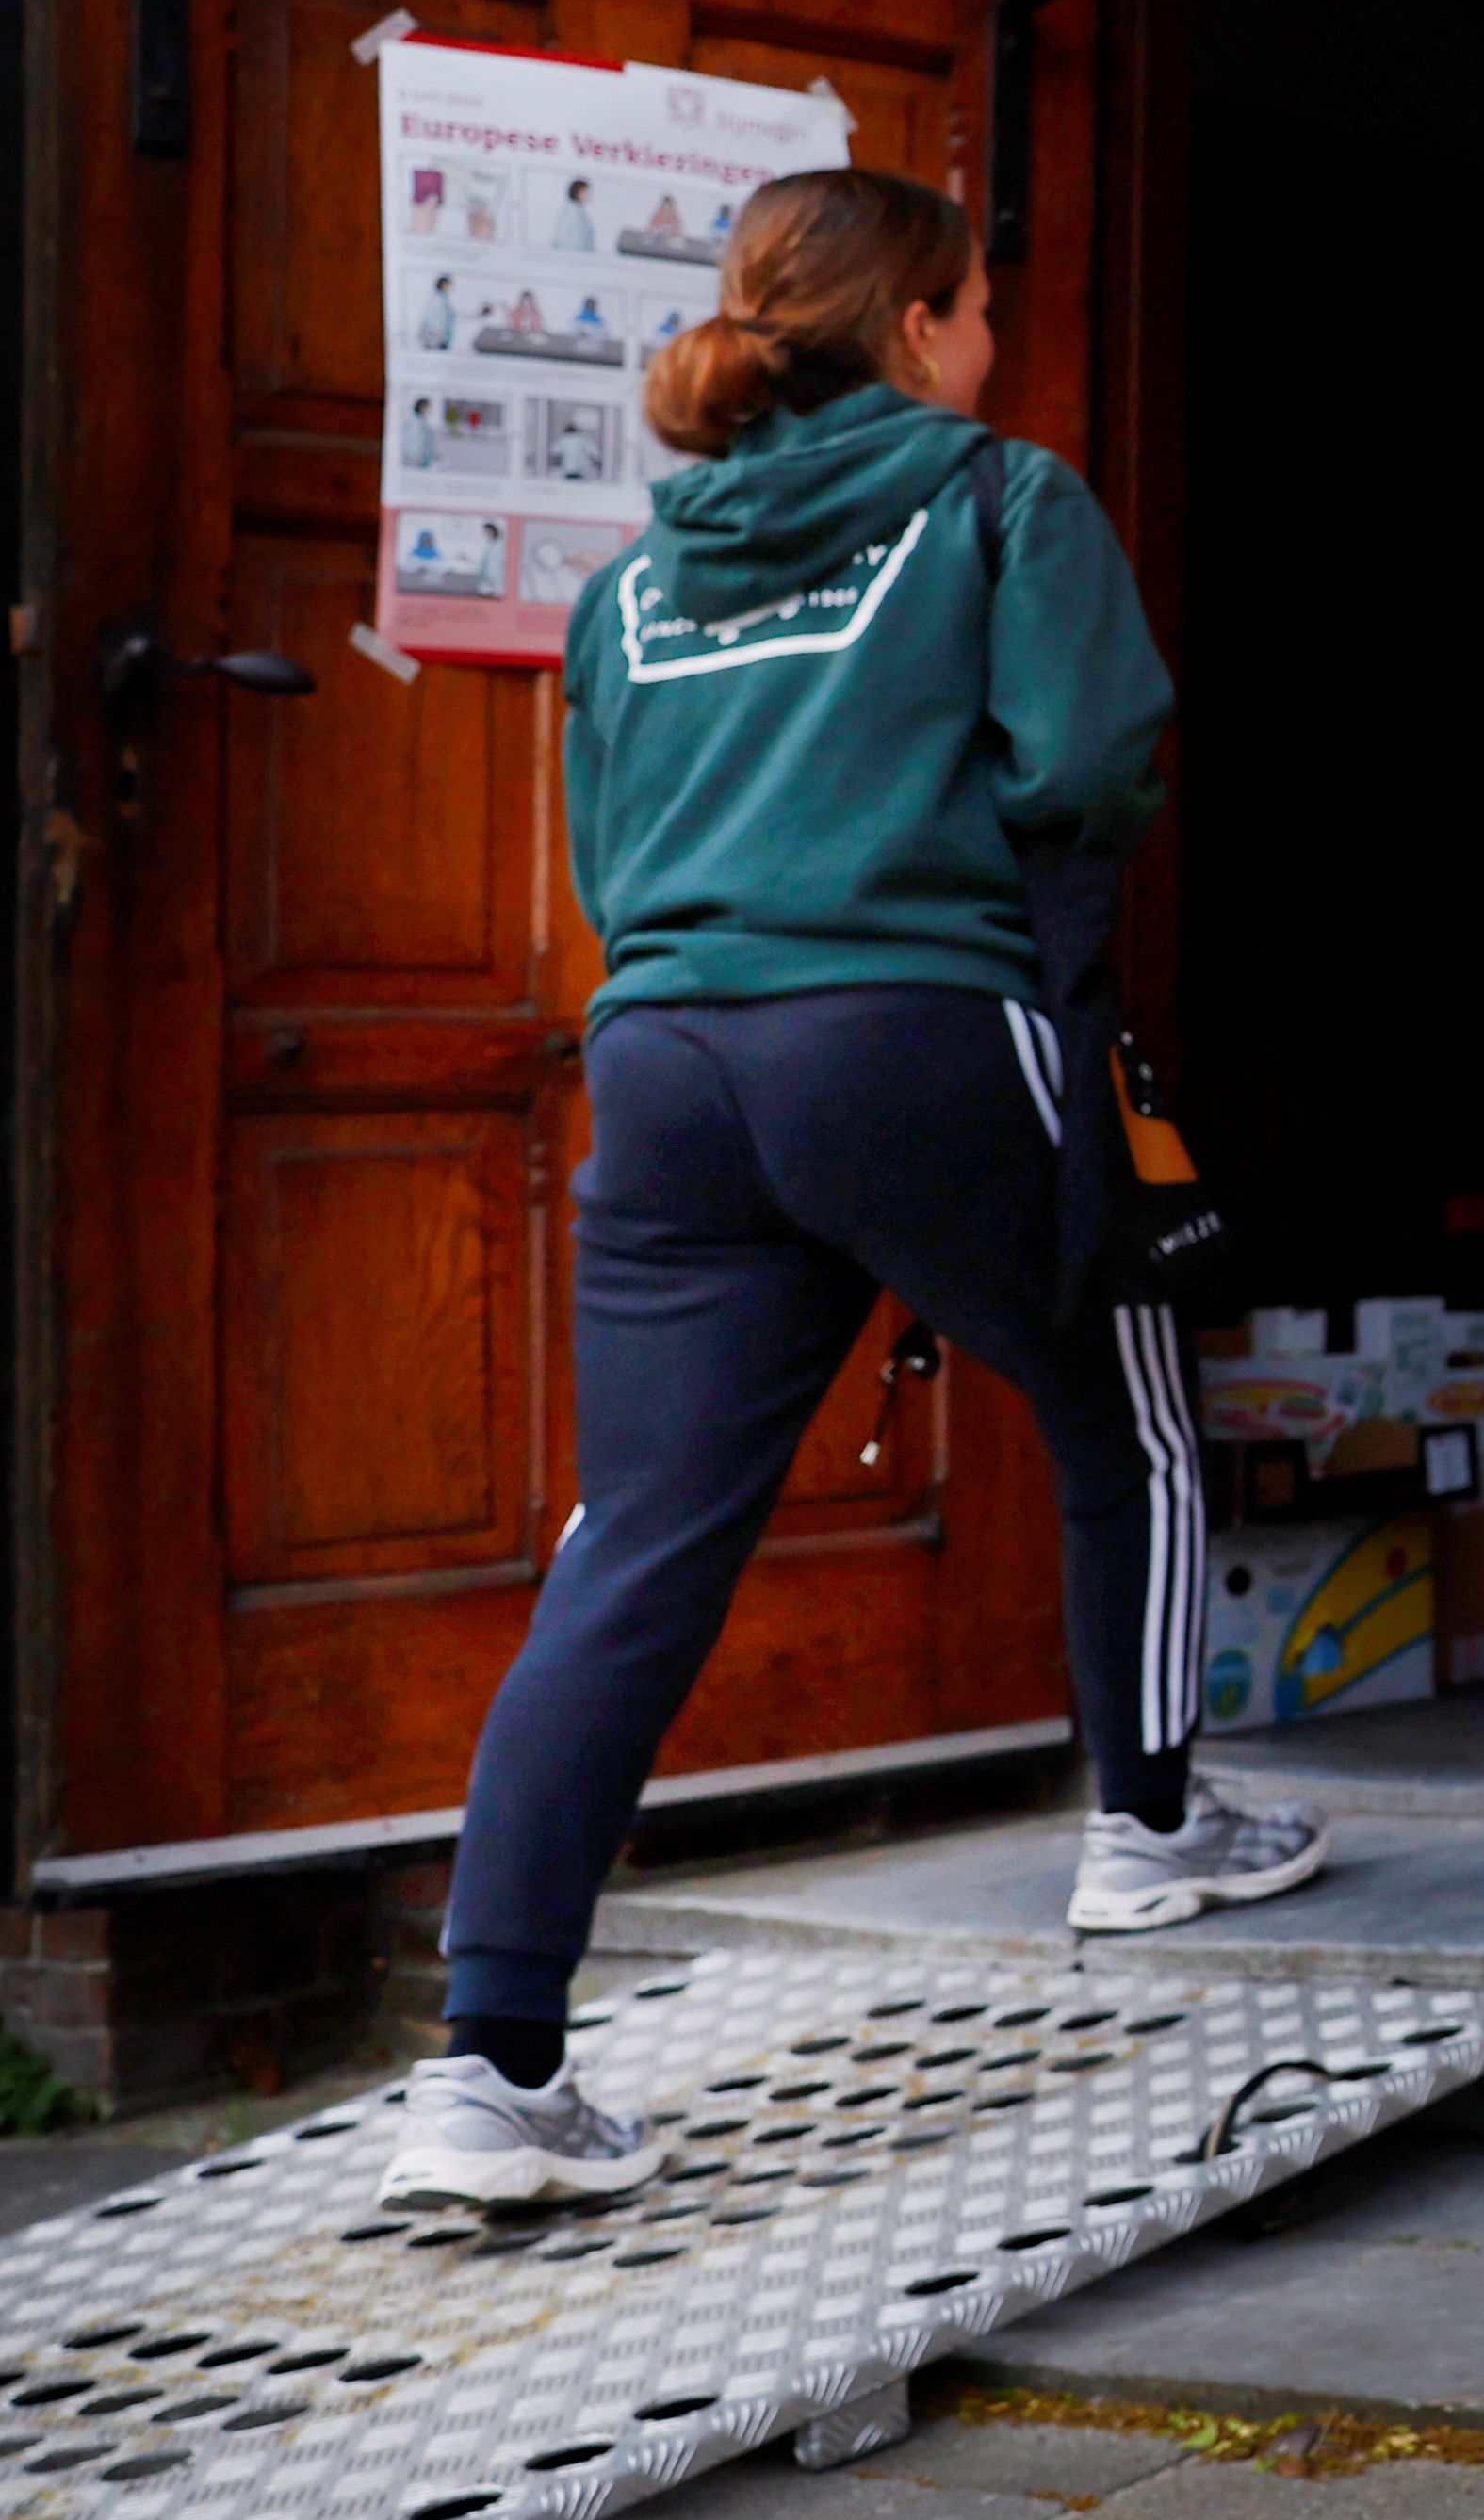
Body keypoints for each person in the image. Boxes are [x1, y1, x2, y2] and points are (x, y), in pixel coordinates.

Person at [386, 167, 1324, 2217]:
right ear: (917, 327)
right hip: (907, 1025)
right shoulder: (1000, 498)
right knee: (1127, 1408)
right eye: (978, 307)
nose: (991, 345)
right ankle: (1151, 1828)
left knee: (631, 1538)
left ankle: (492, 2064)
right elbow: (1090, 761)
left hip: (669, 1060)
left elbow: (610, 861)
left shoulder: (631, 588)